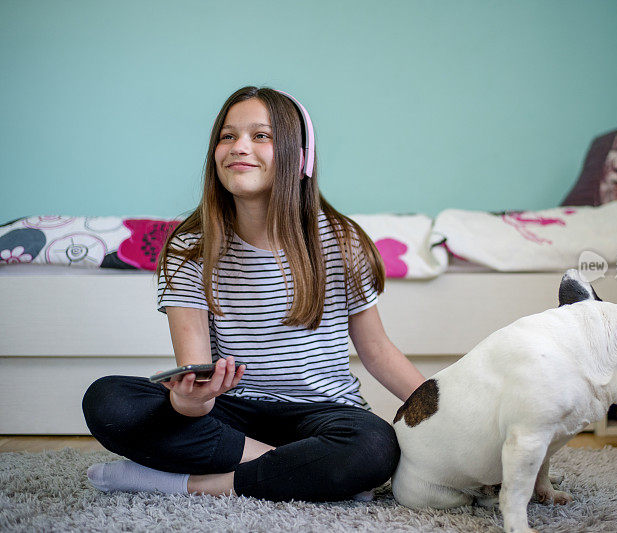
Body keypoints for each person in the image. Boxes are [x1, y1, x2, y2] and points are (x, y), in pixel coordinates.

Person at [82, 86, 426, 502]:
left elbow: (378, 351)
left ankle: (192, 484)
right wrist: (191, 403)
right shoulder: (189, 247)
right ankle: (302, 469)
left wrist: (446, 413)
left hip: (323, 414)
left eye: (261, 136)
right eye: (227, 136)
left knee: (374, 445)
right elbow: (195, 372)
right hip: (230, 415)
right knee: (109, 401)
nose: (239, 147)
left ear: (301, 160)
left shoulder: (340, 240)